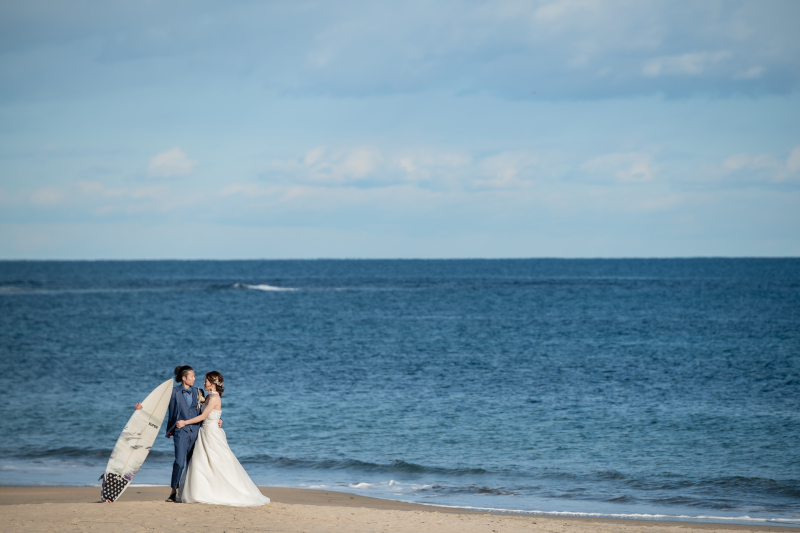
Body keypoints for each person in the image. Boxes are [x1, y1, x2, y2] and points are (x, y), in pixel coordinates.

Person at [175, 371, 270, 507]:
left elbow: (203, 417)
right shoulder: (208, 396)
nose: (204, 383)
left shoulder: (214, 398)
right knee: (202, 462)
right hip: (204, 432)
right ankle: (201, 491)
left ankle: (218, 491)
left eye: (206, 381)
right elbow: (207, 414)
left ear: (212, 383)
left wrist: (184, 422)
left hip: (211, 433)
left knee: (217, 461)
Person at [133, 365, 222, 502]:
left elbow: (206, 410)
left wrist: (218, 418)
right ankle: (173, 491)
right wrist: (142, 407)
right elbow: (158, 405)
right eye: (192, 376)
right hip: (181, 431)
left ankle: (193, 493)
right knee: (180, 463)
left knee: (194, 464)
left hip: (197, 432)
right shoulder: (173, 392)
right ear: (184, 378)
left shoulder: (199, 392)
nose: (194, 378)